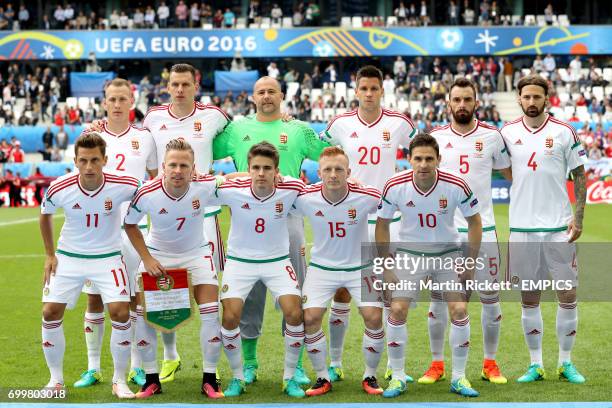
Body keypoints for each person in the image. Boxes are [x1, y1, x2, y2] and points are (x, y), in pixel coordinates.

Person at [212, 76, 329, 386]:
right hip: (247, 218)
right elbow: (202, 149)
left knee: (294, 295)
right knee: (248, 296)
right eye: (261, 92)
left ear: (282, 95)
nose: (266, 96)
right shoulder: (237, 129)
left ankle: (298, 365)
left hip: (289, 218)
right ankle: (249, 363)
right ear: (253, 96)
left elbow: (332, 154)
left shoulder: (299, 129)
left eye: (271, 92)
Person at [320, 65, 416, 382]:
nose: (370, 94)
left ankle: (391, 362)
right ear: (356, 90)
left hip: (389, 218)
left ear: (381, 90)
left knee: (389, 292)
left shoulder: (400, 123)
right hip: (350, 217)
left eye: (375, 88)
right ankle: (335, 363)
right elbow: (319, 151)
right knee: (343, 292)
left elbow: (423, 151)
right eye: (364, 89)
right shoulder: (340, 125)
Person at [140, 64, 230, 383]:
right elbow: (136, 146)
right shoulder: (152, 118)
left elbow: (244, 135)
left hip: (203, 215)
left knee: (208, 295)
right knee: (165, 295)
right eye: (174, 84)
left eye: (185, 84)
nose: (179, 89)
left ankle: (212, 368)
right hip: (166, 215)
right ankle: (170, 356)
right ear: (168, 87)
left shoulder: (216, 116)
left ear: (196, 85)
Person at [376, 133, 482, 398]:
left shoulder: (456, 184)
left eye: (429, 159)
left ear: (439, 160)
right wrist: (387, 266)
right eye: (418, 159)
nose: (423, 164)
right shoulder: (395, 185)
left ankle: (459, 377)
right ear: (409, 159)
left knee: (458, 309)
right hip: (410, 254)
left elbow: (475, 222)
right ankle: (397, 377)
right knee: (398, 309)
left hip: (448, 253)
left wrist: (469, 260)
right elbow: (382, 225)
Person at [500, 74, 587, 384]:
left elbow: (579, 175)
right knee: (529, 297)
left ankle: (566, 362)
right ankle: (535, 364)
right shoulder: (507, 133)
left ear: (546, 98)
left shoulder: (565, 132)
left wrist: (579, 217)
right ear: (519, 99)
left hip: (558, 227)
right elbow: (506, 170)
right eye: (527, 97)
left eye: (537, 97)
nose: (532, 102)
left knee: (567, 294)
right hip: (522, 227)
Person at [39, 133, 140, 398]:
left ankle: (119, 380)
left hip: (107, 257)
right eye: (83, 161)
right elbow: (45, 215)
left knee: (120, 312)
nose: (89, 167)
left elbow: (152, 190)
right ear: (75, 161)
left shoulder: (124, 183)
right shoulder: (60, 186)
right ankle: (56, 380)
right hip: (68, 256)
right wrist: (50, 254)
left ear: (105, 160)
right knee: (50, 312)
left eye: (95, 160)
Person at [425, 77, 511, 385]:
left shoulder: (492, 137)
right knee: (438, 299)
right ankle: (437, 364)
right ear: (448, 103)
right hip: (444, 231)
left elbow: (512, 173)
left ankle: (490, 363)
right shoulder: (434, 137)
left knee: (490, 297)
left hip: (484, 228)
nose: (462, 105)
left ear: (476, 103)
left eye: (467, 100)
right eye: (456, 100)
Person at [75, 79, 158, 390]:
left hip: (136, 230)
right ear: (105, 102)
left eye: (124, 98)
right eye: (113, 99)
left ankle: (136, 366)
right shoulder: (91, 136)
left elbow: (154, 180)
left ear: (131, 101)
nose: (118, 104)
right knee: (95, 298)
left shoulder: (145, 138)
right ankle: (93, 367)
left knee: (136, 300)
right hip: (99, 232)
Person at [124, 139, 223, 399]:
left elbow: (233, 180)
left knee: (211, 313)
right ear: (163, 168)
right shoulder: (147, 192)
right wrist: (146, 258)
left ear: (193, 169)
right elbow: (130, 225)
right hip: (158, 256)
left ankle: (210, 379)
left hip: (197, 253)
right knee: (144, 316)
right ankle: (151, 379)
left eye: (184, 165)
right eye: (172, 165)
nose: (178, 170)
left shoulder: (204, 186)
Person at [210, 142, 306, 398]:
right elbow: (203, 186)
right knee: (230, 317)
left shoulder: (291, 188)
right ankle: (238, 376)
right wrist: (228, 176)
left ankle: (289, 377)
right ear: (248, 169)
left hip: (277, 261)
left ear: (277, 171)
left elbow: (320, 192)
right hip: (240, 262)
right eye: (256, 168)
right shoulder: (232, 189)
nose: (261, 173)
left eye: (267, 168)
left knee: (295, 313)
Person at [293, 147, 385, 396]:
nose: (333, 174)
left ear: (349, 172)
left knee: (374, 318)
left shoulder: (366, 196)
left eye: (339, 169)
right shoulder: (305, 197)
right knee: (310, 318)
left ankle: (370, 375)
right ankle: (322, 377)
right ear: (319, 173)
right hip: (322, 268)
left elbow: (391, 201)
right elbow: (279, 192)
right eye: (328, 170)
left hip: (361, 267)